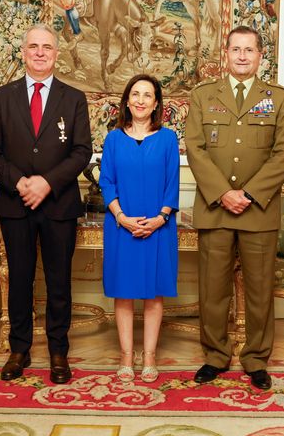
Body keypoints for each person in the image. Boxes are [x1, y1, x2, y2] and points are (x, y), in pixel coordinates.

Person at [0, 23, 93, 384]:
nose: (40, 52)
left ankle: (59, 351)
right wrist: (19, 182)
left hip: (59, 204)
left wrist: (47, 182)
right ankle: (19, 349)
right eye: (34, 46)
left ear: (56, 54)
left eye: (47, 47)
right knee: (20, 280)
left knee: (60, 282)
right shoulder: (2, 96)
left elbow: (81, 152)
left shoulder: (74, 98)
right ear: (24, 52)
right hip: (16, 204)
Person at [185, 25, 284, 390]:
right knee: (213, 289)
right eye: (236, 50)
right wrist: (222, 193)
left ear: (260, 55)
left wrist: (248, 194)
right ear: (226, 53)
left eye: (250, 50)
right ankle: (215, 356)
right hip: (215, 208)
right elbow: (196, 148)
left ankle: (256, 358)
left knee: (260, 291)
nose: (243, 56)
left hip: (258, 210)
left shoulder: (279, 98)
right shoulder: (203, 95)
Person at [100, 74, 180, 383]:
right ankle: (125, 358)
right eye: (136, 94)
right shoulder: (114, 139)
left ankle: (148, 358)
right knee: (123, 293)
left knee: (153, 293)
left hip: (159, 227)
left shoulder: (168, 139)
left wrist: (160, 218)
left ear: (156, 103)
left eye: (148, 95)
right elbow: (107, 182)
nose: (141, 100)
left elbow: (172, 183)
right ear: (127, 100)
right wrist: (122, 217)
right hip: (121, 226)